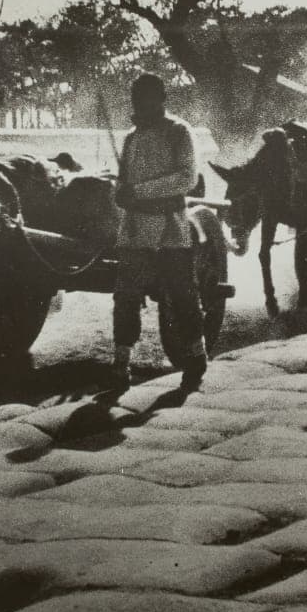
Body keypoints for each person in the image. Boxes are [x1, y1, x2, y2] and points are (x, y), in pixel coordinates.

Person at [110, 74, 207, 392]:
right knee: (125, 298)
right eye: (137, 97)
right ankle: (121, 363)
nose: (142, 103)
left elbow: (187, 178)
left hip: (170, 228)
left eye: (149, 97)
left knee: (181, 295)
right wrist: (120, 192)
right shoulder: (130, 137)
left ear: (161, 99)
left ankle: (195, 358)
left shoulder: (179, 131)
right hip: (135, 229)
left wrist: (137, 191)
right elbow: (123, 181)